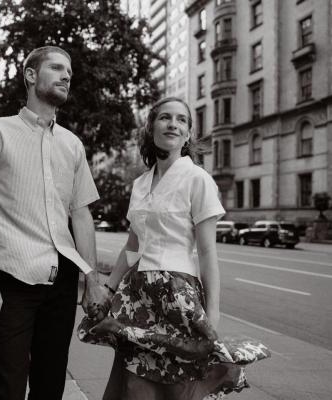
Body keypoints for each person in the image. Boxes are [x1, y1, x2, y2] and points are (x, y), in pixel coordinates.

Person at [78, 97, 270, 400]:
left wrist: (213, 313)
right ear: (151, 127)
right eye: (165, 117)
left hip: (178, 296)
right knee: (135, 383)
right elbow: (133, 246)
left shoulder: (198, 179)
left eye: (182, 120)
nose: (173, 124)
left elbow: (207, 253)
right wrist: (109, 288)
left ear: (189, 134)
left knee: (175, 385)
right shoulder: (140, 183)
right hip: (137, 297)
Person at [0, 46, 107, 400]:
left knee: (49, 387)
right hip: (12, 279)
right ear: (30, 75)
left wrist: (92, 281)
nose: (66, 76)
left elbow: (81, 214)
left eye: (69, 73)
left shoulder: (73, 145)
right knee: (7, 389)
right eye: (56, 68)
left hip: (61, 285)